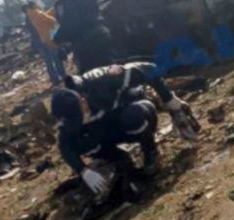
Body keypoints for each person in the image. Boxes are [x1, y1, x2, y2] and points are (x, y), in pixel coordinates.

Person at [51, 62, 199, 198]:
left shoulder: (101, 81)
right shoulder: (66, 114)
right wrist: (83, 170)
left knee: (133, 116)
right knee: (80, 142)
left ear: (83, 102)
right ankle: (120, 161)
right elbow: (64, 145)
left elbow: (147, 69)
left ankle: (150, 150)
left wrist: (169, 100)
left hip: (132, 114)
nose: (78, 122)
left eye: (78, 117)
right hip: (105, 131)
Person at [28, 0, 114, 75]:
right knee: (112, 76)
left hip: (87, 43)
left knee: (96, 82)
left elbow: (70, 21)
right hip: (100, 31)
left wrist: (57, 40)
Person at [23, 0, 67, 85]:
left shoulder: (30, 18)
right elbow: (49, 20)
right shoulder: (37, 15)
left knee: (49, 61)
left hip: (40, 41)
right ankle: (62, 75)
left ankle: (54, 78)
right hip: (47, 38)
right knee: (56, 58)